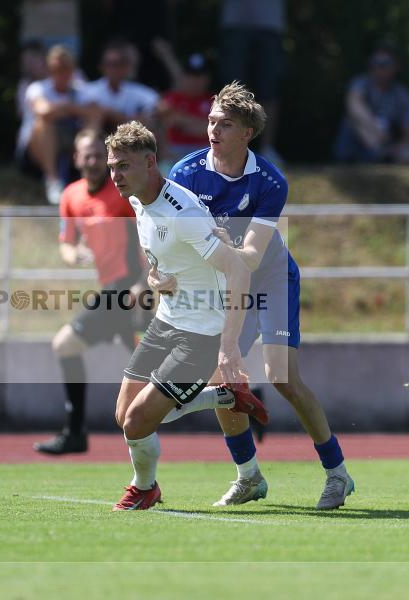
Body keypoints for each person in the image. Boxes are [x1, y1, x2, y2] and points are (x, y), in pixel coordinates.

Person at [157, 82, 355, 510]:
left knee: (281, 376)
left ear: (247, 132)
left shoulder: (270, 182)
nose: (213, 130)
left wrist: (206, 247)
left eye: (225, 124)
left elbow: (249, 255)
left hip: (268, 277)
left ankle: (337, 474)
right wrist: (162, 274)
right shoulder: (185, 174)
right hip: (225, 283)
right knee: (222, 378)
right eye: (210, 121)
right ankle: (249, 477)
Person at [105, 121, 268, 511]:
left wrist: (228, 347)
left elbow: (238, 271)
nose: (115, 176)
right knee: (123, 414)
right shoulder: (137, 200)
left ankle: (145, 488)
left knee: (137, 422)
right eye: (112, 167)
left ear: (150, 162)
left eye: (123, 166)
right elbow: (168, 258)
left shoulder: (183, 212)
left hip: (202, 332)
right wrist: (157, 278)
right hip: (168, 321)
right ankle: (222, 396)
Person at [33, 129, 146, 455]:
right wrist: (74, 255)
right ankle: (239, 391)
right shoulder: (71, 195)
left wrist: (143, 283)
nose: (95, 161)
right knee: (158, 369)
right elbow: (67, 244)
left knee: (66, 345)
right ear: (76, 158)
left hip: (126, 288)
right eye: (88, 155)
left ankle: (75, 433)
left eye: (101, 156)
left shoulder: (124, 193)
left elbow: (147, 240)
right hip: (114, 290)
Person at [17, 46, 95, 204]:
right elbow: (43, 111)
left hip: (71, 149)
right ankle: (52, 180)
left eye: (65, 68)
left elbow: (94, 114)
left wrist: (62, 109)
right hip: (34, 154)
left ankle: (91, 172)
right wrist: (72, 109)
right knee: (44, 122)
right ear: (49, 70)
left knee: (92, 124)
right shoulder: (37, 88)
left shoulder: (82, 90)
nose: (61, 73)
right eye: (55, 69)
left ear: (73, 70)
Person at [333, 45, 409, 164]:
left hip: (385, 148)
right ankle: (378, 153)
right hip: (353, 146)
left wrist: (397, 147)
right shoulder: (361, 83)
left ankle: (382, 155)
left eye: (384, 63)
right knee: (356, 122)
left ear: (396, 67)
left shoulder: (403, 95)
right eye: (374, 63)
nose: (378, 67)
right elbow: (353, 104)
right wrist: (377, 130)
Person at [219, 0, 286, 163]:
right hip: (234, 21)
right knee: (232, 91)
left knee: (269, 88)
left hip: (270, 22)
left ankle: (267, 148)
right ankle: (229, 146)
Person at [152, 41, 214, 169]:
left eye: (200, 76)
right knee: (163, 168)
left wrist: (180, 120)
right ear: (184, 77)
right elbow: (159, 125)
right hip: (174, 153)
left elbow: (212, 130)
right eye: (191, 76)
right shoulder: (171, 98)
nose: (195, 81)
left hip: (207, 153)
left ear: (207, 78)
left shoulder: (215, 101)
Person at [81, 41, 159, 135]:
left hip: (131, 137)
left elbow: (160, 107)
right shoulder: (89, 90)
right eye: (110, 64)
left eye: (118, 64)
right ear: (101, 66)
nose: (114, 69)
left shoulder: (138, 91)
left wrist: (113, 116)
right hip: (102, 139)